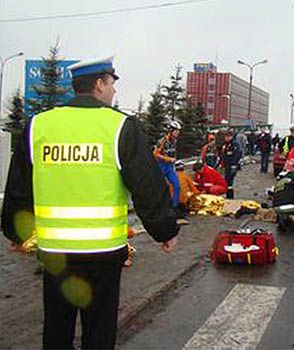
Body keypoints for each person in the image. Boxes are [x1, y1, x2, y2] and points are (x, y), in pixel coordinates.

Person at [0, 56, 179, 349]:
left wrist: (15, 232)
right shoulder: (120, 127)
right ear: (99, 84)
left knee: (57, 330)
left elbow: (19, 187)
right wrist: (165, 231)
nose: (113, 92)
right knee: (99, 331)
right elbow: (146, 184)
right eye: (111, 84)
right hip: (103, 254)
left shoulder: (38, 126)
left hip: (55, 254)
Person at [153, 120, 183, 218]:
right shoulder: (163, 141)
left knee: (177, 185)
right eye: (176, 131)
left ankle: (175, 208)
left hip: (170, 167)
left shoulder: (175, 141)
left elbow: (173, 153)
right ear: (171, 130)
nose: (178, 133)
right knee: (160, 187)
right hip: (161, 166)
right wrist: (167, 159)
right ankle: (157, 208)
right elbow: (155, 154)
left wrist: (175, 161)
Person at [221, 129, 242, 199]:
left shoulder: (235, 144)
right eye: (225, 136)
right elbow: (224, 154)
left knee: (229, 182)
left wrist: (234, 165)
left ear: (231, 136)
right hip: (227, 165)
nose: (226, 138)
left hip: (232, 165)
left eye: (227, 136)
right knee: (226, 181)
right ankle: (228, 195)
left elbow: (236, 155)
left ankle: (230, 196)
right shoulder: (225, 144)